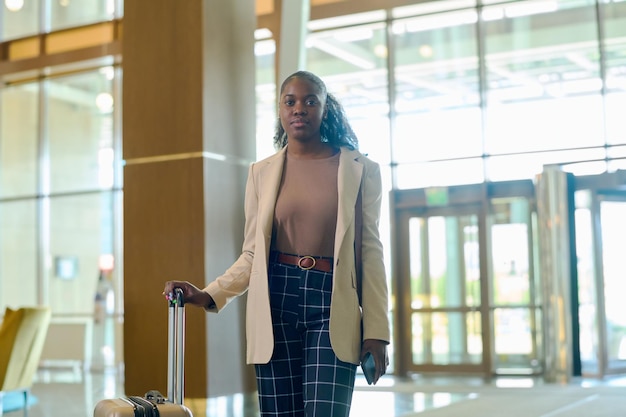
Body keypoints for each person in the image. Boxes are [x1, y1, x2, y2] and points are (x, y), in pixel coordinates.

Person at [163, 70, 390, 417]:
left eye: (310, 101)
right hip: (275, 300)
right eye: (291, 101)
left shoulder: (360, 169)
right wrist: (210, 293)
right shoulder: (261, 172)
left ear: (325, 109)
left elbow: (370, 253)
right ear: (281, 110)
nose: (300, 108)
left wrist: (377, 331)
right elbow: (252, 253)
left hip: (334, 301)